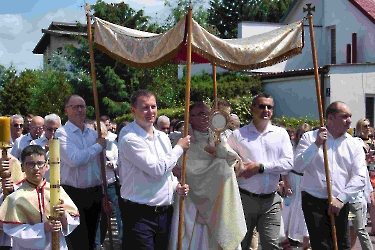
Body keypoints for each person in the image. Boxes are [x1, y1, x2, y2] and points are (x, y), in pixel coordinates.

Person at [117, 89, 190, 250]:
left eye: (153, 106)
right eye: (145, 107)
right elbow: (156, 169)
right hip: (140, 215)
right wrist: (179, 148)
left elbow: (167, 172)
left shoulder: (162, 137)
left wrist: (175, 186)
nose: (151, 111)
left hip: (164, 213)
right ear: (133, 110)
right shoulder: (130, 138)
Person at [169, 102, 246, 250]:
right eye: (199, 114)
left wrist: (220, 152)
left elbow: (233, 163)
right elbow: (177, 166)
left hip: (218, 200)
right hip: (191, 199)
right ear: (190, 118)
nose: (204, 117)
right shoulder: (181, 139)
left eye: (206, 113)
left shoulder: (219, 136)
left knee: (223, 167)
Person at [294, 101, 367, 250]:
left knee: (343, 245)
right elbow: (298, 166)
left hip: (341, 202)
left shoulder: (354, 144)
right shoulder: (309, 138)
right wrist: (317, 144)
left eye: (350, 116)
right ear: (330, 118)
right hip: (314, 200)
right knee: (322, 246)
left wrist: (341, 199)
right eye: (344, 116)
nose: (350, 120)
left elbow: (360, 177)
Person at [228, 92, 294, 250]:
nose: (266, 110)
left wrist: (260, 167)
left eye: (269, 107)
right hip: (244, 199)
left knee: (271, 245)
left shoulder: (280, 134)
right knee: (242, 244)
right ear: (252, 108)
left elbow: (288, 163)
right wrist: (236, 167)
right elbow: (227, 162)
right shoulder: (238, 135)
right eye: (261, 106)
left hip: (271, 200)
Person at [0, 145, 80, 250]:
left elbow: (73, 220)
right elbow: (13, 230)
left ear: (47, 166)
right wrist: (43, 228)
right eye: (30, 164)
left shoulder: (57, 190)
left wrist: (63, 215)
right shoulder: (15, 197)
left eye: (40, 164)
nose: (36, 168)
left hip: (57, 245)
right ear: (22, 167)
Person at [55, 94, 106, 250]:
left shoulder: (93, 135)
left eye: (82, 106)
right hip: (73, 194)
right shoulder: (62, 134)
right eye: (75, 107)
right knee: (78, 242)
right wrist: (98, 146)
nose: (79, 110)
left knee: (92, 241)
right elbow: (74, 159)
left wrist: (104, 193)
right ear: (66, 111)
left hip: (95, 193)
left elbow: (99, 165)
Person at [94, 121, 122, 250]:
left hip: (111, 184)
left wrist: (113, 164)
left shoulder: (112, 144)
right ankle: (97, 243)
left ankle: (121, 239)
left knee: (118, 212)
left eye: (100, 130)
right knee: (99, 216)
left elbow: (119, 161)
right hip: (97, 185)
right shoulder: (91, 145)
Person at [284, 123, 312, 250]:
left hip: (305, 181)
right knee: (288, 211)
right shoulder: (291, 147)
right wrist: (286, 184)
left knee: (304, 212)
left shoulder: (312, 147)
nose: (302, 138)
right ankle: (286, 241)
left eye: (304, 135)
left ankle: (306, 243)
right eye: (300, 135)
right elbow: (285, 167)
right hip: (293, 179)